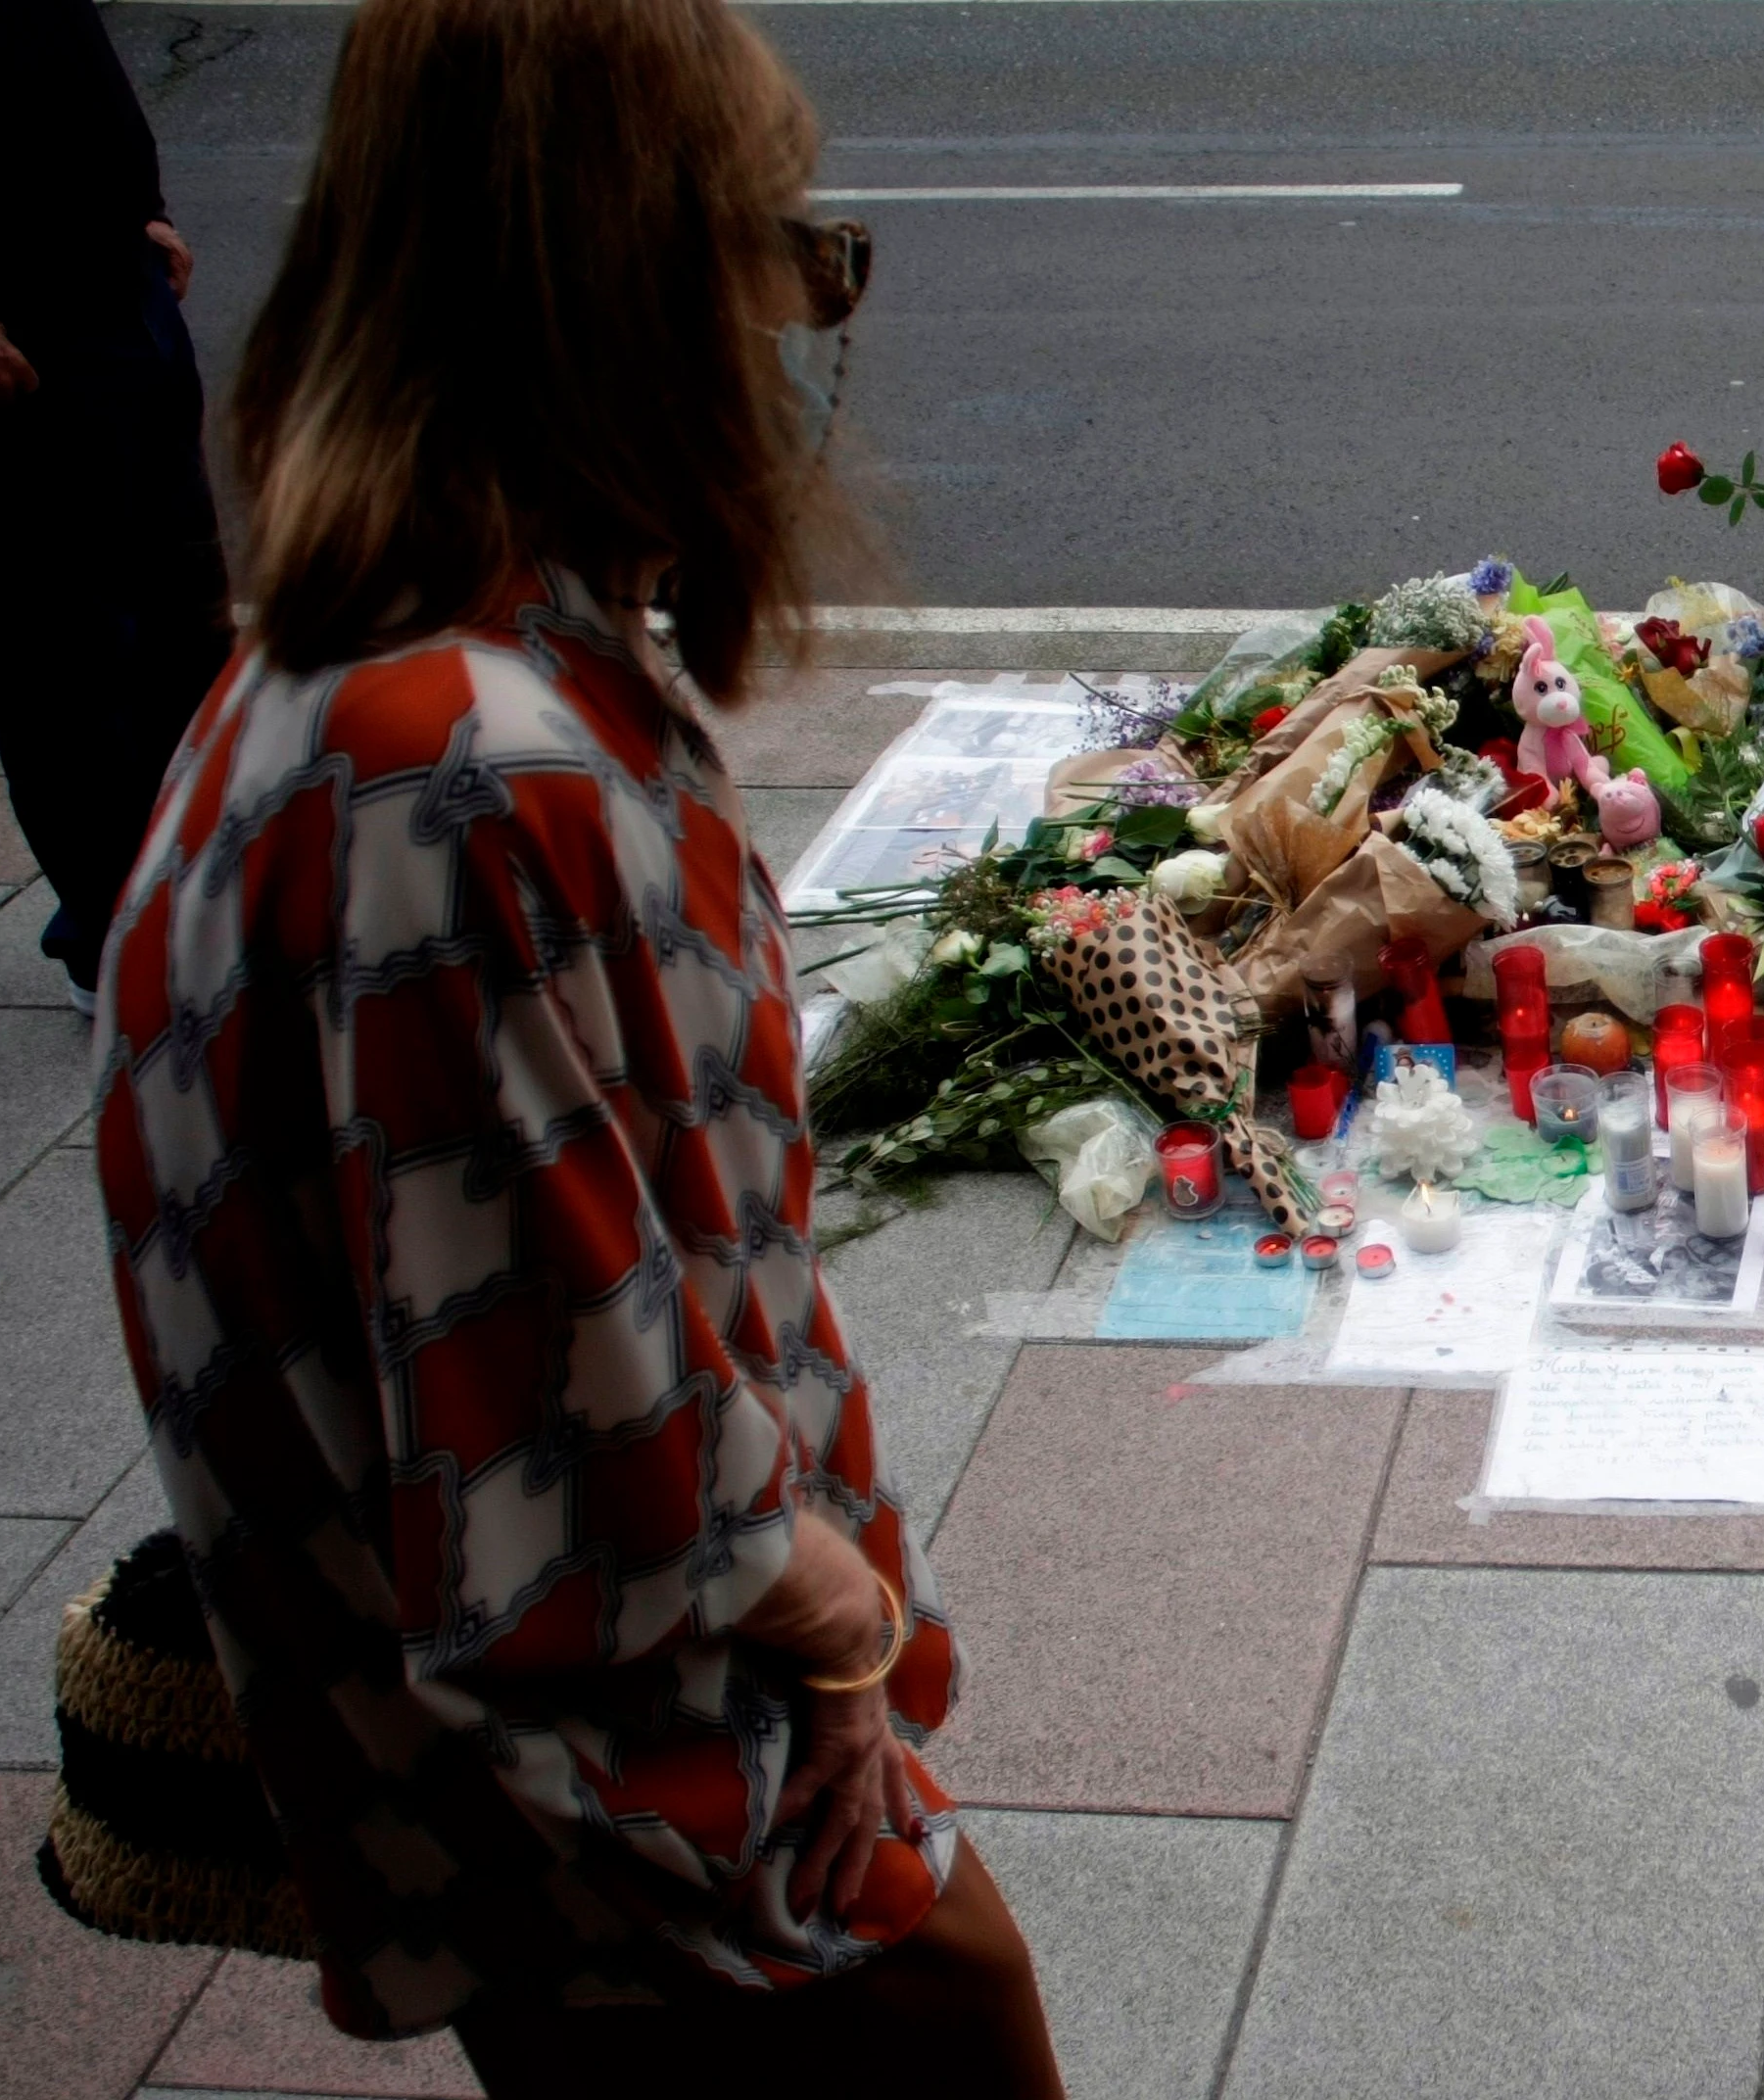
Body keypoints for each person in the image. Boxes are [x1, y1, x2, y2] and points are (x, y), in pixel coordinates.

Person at [89, 0, 1061, 2090]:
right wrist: (850, 1637)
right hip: (658, 1833)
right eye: (779, 248)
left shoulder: (381, 681)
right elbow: (604, 1487)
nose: (805, 329)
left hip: (582, 1820)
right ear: (624, 280)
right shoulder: (457, 773)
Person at [0, 0, 235, 1012]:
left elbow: (61, 46)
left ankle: (199, 900)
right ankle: (114, 936)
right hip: (31, 345)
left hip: (116, 287)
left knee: (184, 624)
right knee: (68, 653)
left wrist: (143, 205)